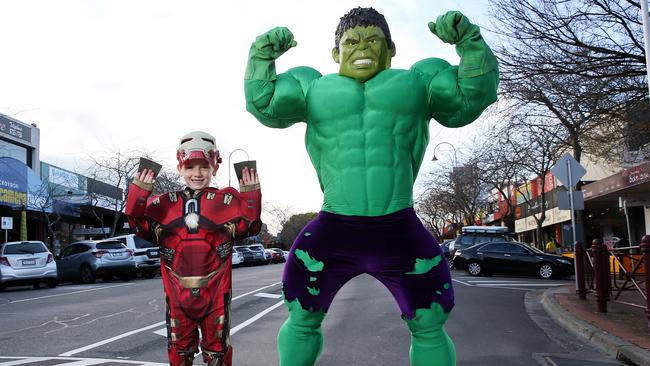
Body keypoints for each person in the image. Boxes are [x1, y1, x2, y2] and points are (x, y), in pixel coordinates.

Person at [245, 7, 498, 366]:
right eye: (351, 41)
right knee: (301, 317)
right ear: (336, 53)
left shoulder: (418, 83)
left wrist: (469, 43)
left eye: (373, 40)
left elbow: (472, 97)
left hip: (399, 227)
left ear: (390, 48)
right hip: (334, 226)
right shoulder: (311, 88)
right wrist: (261, 56)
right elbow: (263, 103)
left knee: (429, 324)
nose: (361, 47)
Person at [125, 131, 262, 366]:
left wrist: (251, 195)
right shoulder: (164, 204)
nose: (197, 174)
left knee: (217, 354)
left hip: (216, 298)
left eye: (203, 167)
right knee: (179, 354)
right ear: (180, 167)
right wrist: (139, 192)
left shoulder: (225, 202)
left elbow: (250, 226)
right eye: (190, 167)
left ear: (214, 168)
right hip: (178, 300)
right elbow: (138, 224)